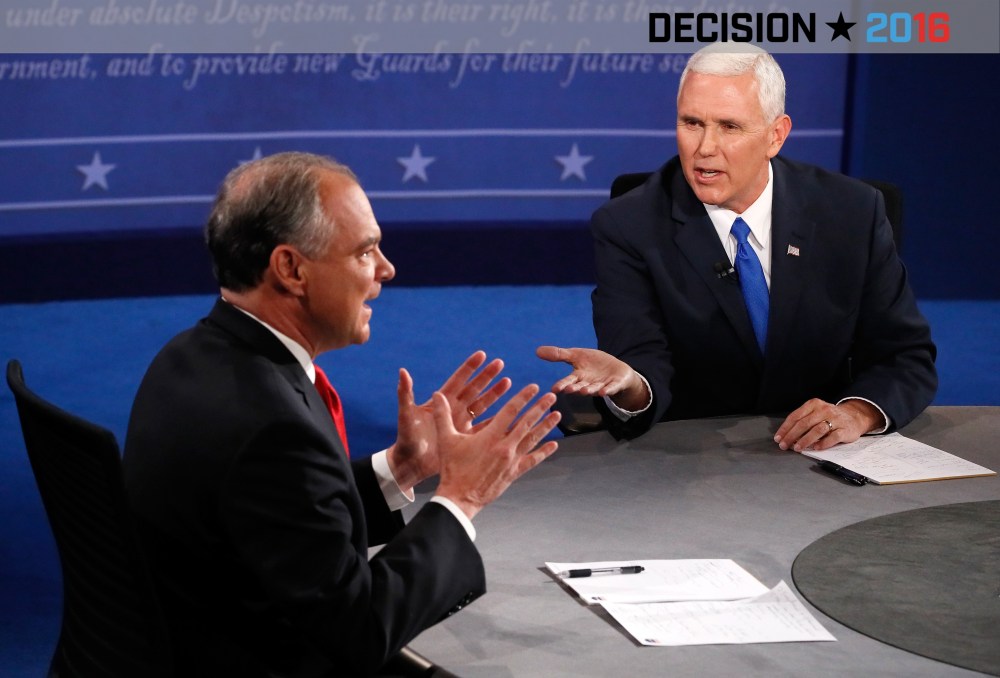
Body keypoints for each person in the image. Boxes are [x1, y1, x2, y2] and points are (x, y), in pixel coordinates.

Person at [122, 152, 560, 677]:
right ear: (291, 269)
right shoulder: (271, 426)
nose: (386, 269)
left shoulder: (190, 356)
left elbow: (286, 519)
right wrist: (461, 497)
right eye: (365, 251)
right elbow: (359, 631)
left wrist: (403, 468)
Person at [538, 43, 936, 451]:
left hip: (821, 455)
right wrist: (629, 385)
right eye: (692, 123)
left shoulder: (851, 212)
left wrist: (856, 413)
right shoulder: (629, 226)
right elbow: (643, 366)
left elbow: (904, 355)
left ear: (775, 136)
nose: (705, 147)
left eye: (729, 127)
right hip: (689, 460)